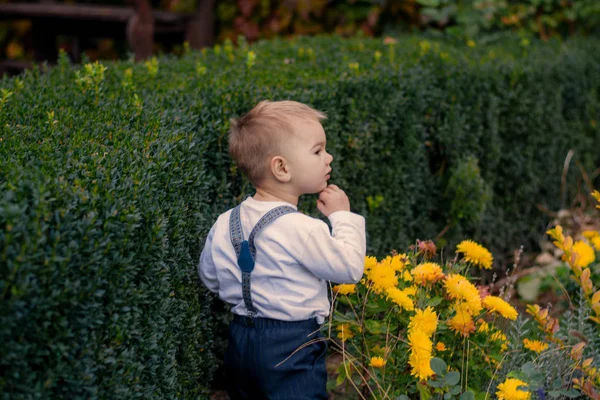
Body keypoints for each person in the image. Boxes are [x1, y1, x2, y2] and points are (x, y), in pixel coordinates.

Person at [198, 100, 366, 400]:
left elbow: (210, 277)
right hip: (293, 346)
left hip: (240, 342)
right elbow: (350, 268)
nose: (329, 157)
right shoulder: (302, 229)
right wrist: (342, 216)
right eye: (317, 150)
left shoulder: (225, 222)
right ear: (282, 168)